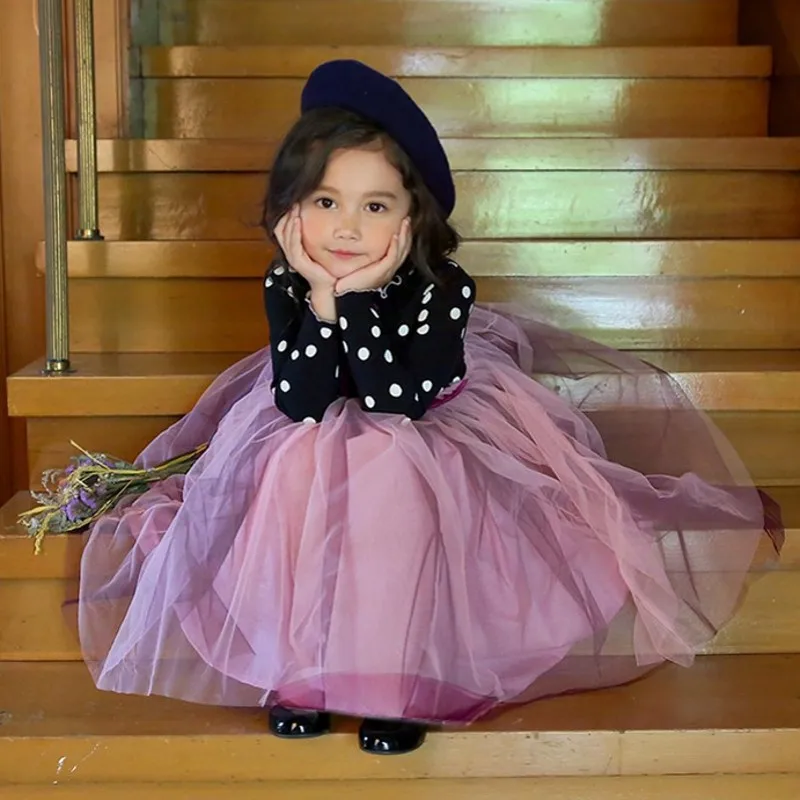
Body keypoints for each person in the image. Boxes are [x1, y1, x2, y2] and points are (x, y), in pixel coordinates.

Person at [39, 60, 780, 756]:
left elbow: (396, 400)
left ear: (411, 216)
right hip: (322, 418)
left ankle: (396, 680)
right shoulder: (290, 281)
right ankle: (300, 671)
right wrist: (319, 298)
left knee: (389, 466)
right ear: (292, 211)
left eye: (375, 206)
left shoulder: (442, 287)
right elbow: (301, 398)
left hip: (426, 421)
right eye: (325, 202)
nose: (347, 227)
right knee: (294, 464)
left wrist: (358, 299)